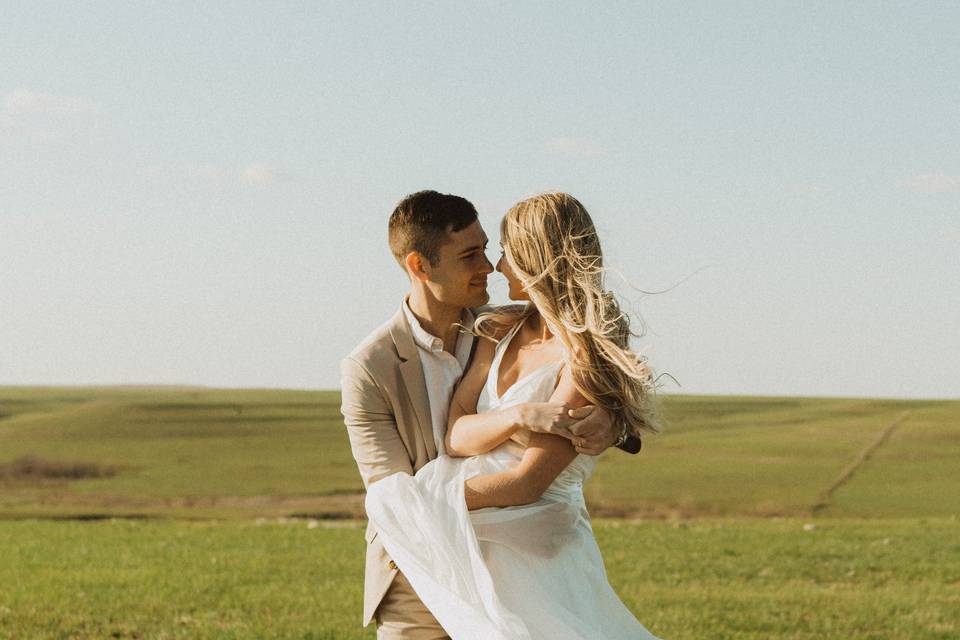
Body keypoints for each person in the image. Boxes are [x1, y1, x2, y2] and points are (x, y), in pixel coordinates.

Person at [340, 190, 640, 639]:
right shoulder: (370, 367)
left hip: (526, 556)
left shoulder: (497, 324)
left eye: (491, 250)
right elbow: (390, 489)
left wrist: (613, 421)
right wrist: (522, 415)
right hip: (422, 568)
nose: (489, 266)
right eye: (471, 254)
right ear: (420, 267)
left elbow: (577, 407)